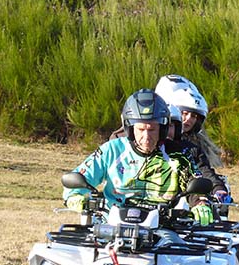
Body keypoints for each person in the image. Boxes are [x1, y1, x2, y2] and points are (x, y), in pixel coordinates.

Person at [63, 89, 214, 225]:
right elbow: (80, 178)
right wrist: (75, 196)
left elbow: (194, 182)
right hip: (110, 227)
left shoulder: (179, 155)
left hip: (163, 230)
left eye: (152, 129)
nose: (146, 136)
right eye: (140, 129)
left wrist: (200, 203)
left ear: (163, 129)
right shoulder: (111, 150)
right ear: (129, 129)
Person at [154, 75, 230, 203]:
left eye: (194, 116)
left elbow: (202, 172)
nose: (188, 119)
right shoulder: (128, 143)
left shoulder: (190, 149)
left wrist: (218, 189)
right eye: (184, 113)